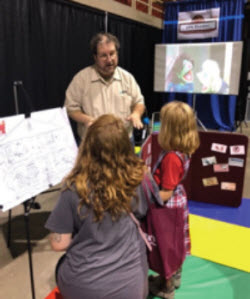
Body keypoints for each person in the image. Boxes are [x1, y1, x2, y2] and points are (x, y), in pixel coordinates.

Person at [45, 114, 162, 299]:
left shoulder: (74, 187)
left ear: (88, 146)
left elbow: (59, 244)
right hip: (132, 286)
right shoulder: (142, 177)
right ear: (125, 145)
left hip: (82, 287)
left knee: (62, 265)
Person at [149, 101, 200, 299]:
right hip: (176, 204)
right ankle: (170, 277)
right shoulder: (181, 150)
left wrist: (145, 197)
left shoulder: (171, 157)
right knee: (172, 245)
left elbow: (166, 192)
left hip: (167, 209)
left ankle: (167, 286)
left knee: (165, 246)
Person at [64, 32, 145, 141]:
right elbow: (71, 108)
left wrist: (136, 114)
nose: (109, 60)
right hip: (94, 143)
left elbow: (139, 102)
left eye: (112, 54)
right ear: (95, 57)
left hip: (123, 141)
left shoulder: (127, 78)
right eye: (103, 55)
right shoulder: (81, 79)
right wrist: (87, 120)